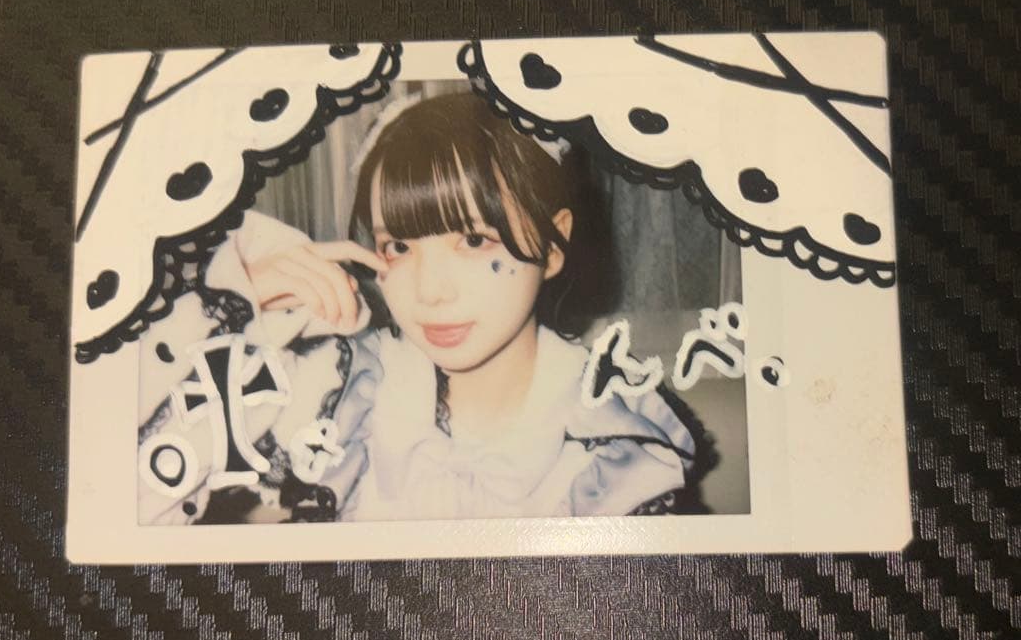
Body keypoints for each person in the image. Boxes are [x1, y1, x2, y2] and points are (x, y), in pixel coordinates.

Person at [137, 91, 695, 524]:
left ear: (553, 245)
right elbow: (131, 504)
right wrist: (236, 300)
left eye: (473, 240)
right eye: (399, 247)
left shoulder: (616, 449)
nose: (429, 292)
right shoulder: (339, 398)